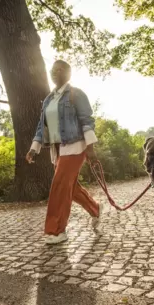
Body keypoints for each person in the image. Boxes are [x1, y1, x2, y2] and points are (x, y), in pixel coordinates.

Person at [26, 60, 104, 245]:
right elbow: (41, 126)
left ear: (69, 73)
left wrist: (91, 149)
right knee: (70, 187)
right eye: (53, 70)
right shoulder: (48, 99)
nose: (55, 73)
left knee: (60, 186)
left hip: (75, 146)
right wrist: (34, 148)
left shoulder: (76, 94)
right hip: (57, 149)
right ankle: (95, 208)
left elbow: (86, 120)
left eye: (60, 70)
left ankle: (55, 231)